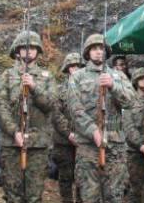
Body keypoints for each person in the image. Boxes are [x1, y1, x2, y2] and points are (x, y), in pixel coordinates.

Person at [67, 33, 136, 203]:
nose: (99, 52)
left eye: (102, 49)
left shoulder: (118, 76)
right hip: (88, 145)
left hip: (115, 144)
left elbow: (131, 102)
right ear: (88, 52)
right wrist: (93, 131)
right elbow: (75, 109)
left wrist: (113, 86)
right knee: (89, 195)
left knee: (115, 195)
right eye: (94, 48)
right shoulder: (77, 77)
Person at [0, 30, 57, 203]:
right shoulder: (6, 76)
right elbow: (0, 107)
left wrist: (34, 87)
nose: (29, 51)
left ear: (38, 51)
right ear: (17, 50)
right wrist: (14, 131)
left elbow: (51, 104)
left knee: (34, 196)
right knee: (13, 195)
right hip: (11, 143)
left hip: (38, 145)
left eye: (33, 48)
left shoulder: (47, 77)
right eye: (24, 47)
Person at [51, 53, 85, 203]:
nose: (75, 69)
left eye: (78, 66)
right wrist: (69, 134)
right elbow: (56, 114)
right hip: (63, 142)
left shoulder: (88, 89)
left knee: (82, 177)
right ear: (67, 68)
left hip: (84, 140)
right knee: (65, 176)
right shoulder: (59, 90)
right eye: (72, 66)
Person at [122, 67, 144, 203]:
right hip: (134, 152)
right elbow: (128, 127)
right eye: (141, 78)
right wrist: (141, 145)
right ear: (135, 81)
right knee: (135, 190)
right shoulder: (129, 101)